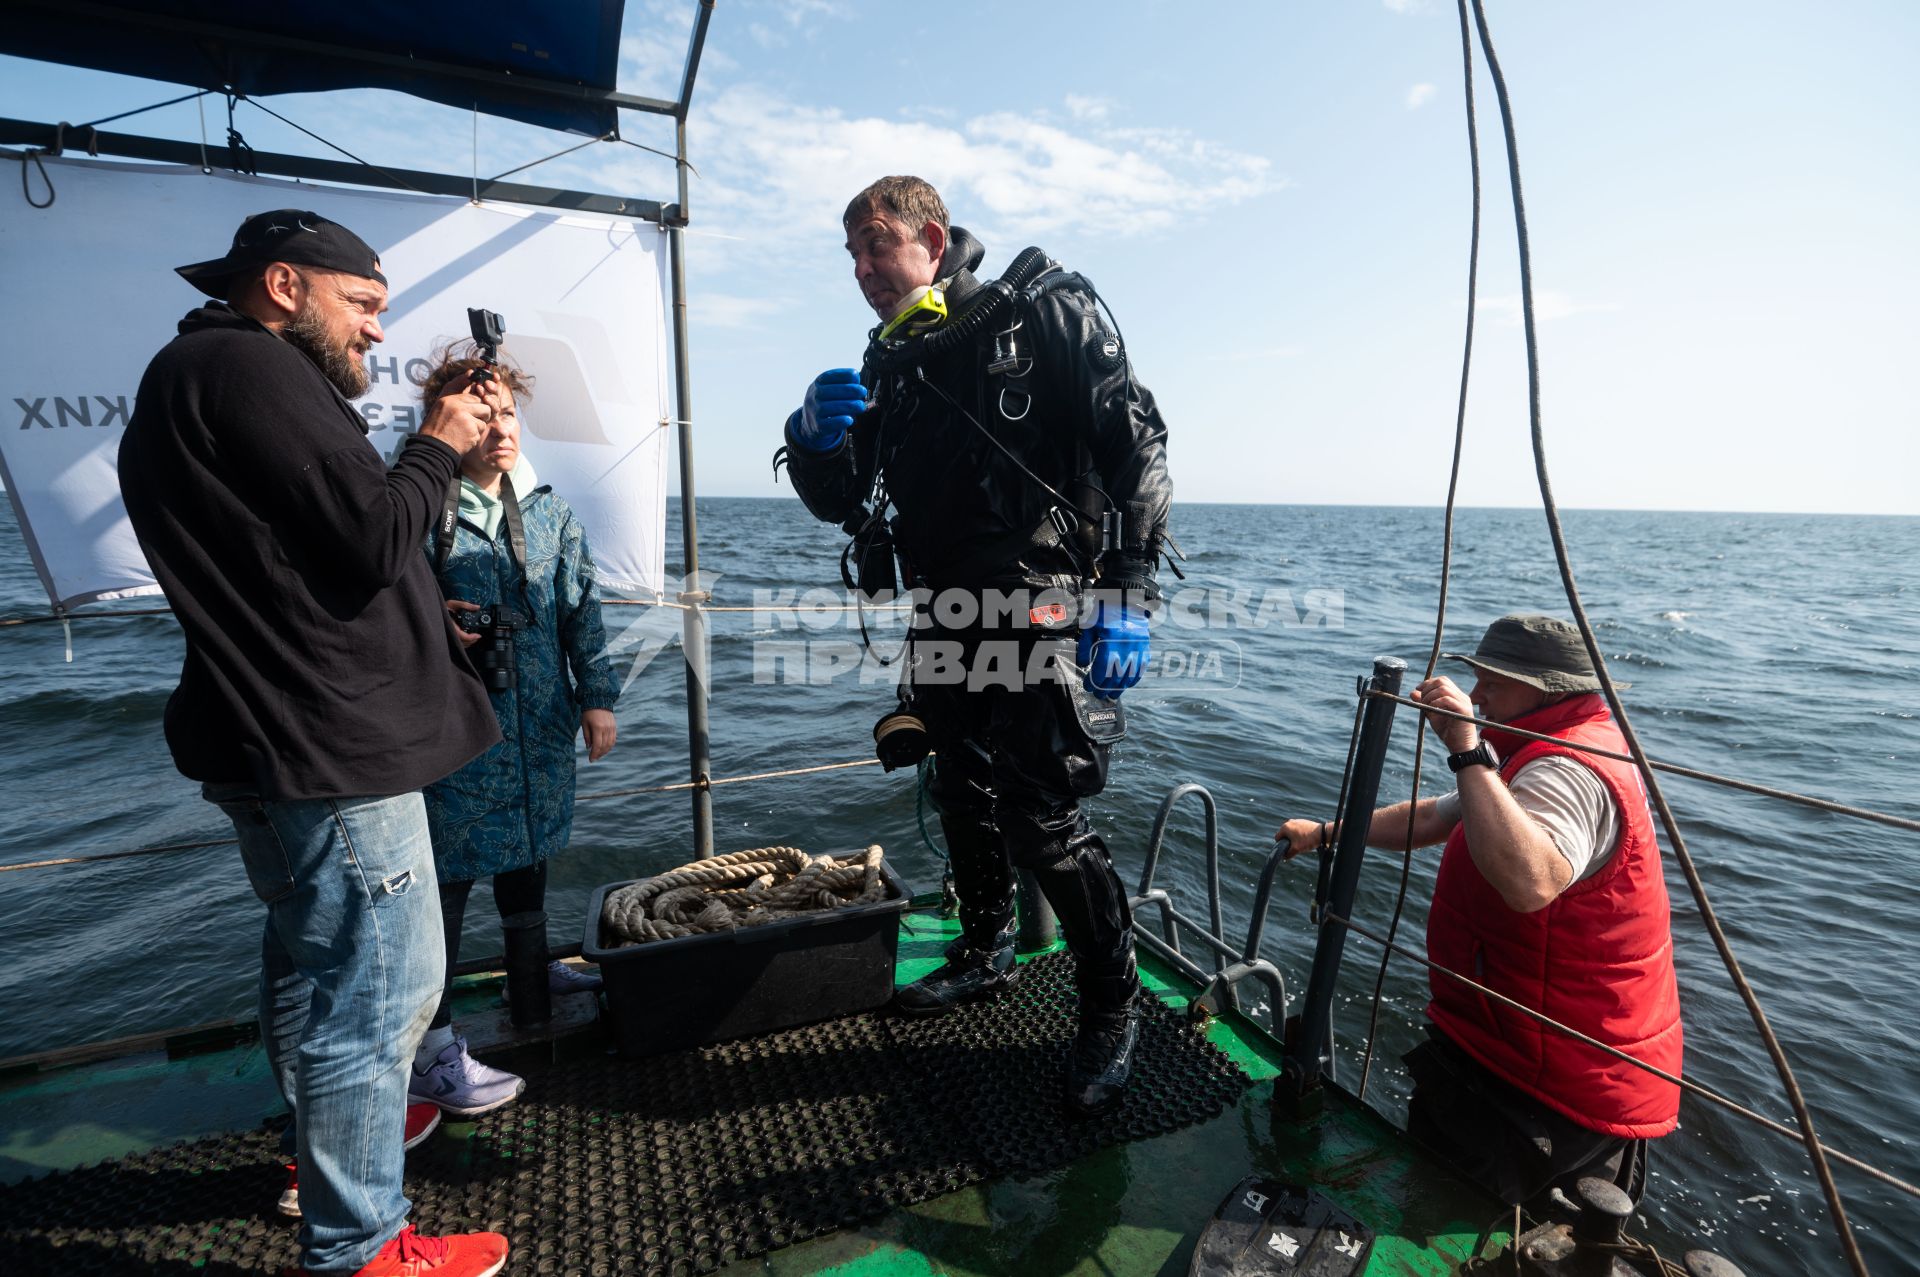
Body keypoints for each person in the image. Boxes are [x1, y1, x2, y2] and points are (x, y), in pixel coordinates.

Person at [118, 208, 511, 1277]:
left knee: (308, 962)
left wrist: (433, 621)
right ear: (284, 285)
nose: (376, 332)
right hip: (327, 745)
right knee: (380, 992)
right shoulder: (251, 372)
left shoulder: (195, 375)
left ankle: (319, 1151)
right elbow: (377, 535)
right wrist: (438, 439)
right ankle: (360, 1245)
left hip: (268, 734)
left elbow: (300, 563)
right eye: (365, 305)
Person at [778, 176, 1172, 1117]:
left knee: (1043, 818)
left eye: (878, 244)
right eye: (853, 255)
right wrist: (812, 440)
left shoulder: (1043, 308)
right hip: (945, 609)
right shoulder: (892, 364)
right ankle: (984, 948)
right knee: (957, 781)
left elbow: (1139, 444)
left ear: (933, 236)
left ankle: (1113, 1007)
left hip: (1044, 605)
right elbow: (847, 500)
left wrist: (1128, 592)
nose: (866, 269)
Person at [1276, 613, 1683, 1210]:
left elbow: (1531, 881)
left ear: (1548, 689)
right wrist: (1328, 832)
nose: (1479, 692)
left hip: (1548, 1086)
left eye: (1495, 681)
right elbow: (1439, 817)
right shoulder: (1540, 748)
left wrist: (1466, 747)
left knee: (1469, 1226)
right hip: (1532, 1054)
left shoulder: (1566, 769)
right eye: (1479, 677)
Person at [409, 347, 621, 1116]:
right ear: (448, 422)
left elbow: (581, 611)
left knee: (530, 848)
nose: (500, 428)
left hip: (540, 726)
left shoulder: (550, 511)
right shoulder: (420, 510)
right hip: (458, 736)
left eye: (507, 413)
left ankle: (529, 974)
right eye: (482, 413)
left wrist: (596, 697)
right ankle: (432, 1039)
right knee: (446, 880)